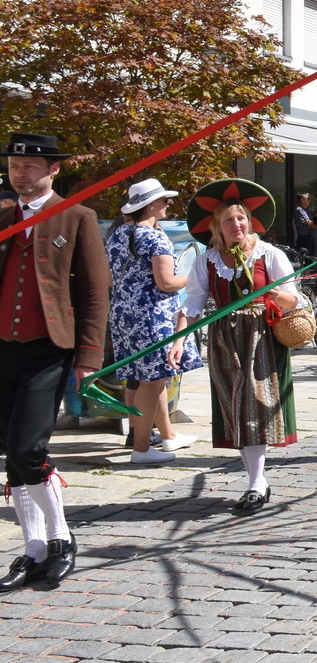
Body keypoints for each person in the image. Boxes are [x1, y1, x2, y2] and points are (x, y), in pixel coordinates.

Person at [0, 133, 109, 593]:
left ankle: (61, 538)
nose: (19, 172)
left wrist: (89, 356)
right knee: (10, 450)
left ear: (53, 170)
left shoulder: (77, 216)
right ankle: (33, 549)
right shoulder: (3, 215)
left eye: (29, 166)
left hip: (48, 348)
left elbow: (95, 291)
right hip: (2, 347)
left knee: (28, 447)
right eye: (14, 165)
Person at [184, 179, 305, 514]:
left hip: (261, 337)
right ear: (216, 226)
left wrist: (273, 294)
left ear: (250, 222)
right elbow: (192, 304)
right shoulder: (208, 260)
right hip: (225, 339)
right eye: (228, 219)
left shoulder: (270, 254)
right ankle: (256, 480)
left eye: (241, 218)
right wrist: (180, 340)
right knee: (236, 407)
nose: (236, 224)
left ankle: (256, 482)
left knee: (255, 406)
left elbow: (294, 298)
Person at [106, 178, 202, 465]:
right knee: (152, 380)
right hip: (152, 315)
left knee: (151, 378)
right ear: (150, 205)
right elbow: (167, 282)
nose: (168, 205)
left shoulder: (117, 234)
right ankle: (141, 448)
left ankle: (168, 435)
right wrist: (195, 276)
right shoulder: (154, 237)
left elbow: (110, 278)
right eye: (164, 200)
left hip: (123, 313)